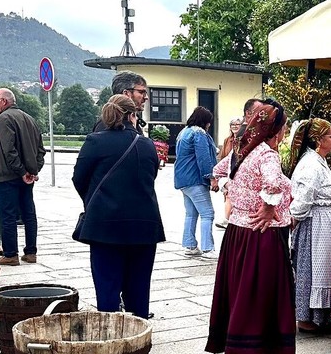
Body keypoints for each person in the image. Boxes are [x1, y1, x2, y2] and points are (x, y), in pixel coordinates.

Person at [206, 101, 294, 354]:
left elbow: (217, 173)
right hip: (259, 234)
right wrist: (269, 207)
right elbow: (273, 185)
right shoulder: (267, 154)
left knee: (237, 291)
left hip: (236, 233)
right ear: (276, 129)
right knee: (256, 295)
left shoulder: (240, 151)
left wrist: (228, 189)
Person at [72, 95, 164, 315]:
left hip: (105, 224)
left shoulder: (95, 141)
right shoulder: (147, 145)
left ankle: (111, 330)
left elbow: (79, 179)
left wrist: (97, 200)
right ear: (133, 116)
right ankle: (139, 330)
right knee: (140, 285)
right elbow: (150, 177)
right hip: (144, 223)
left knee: (107, 286)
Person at [288, 118, 331, 334]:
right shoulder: (310, 164)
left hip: (326, 225)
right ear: (318, 139)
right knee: (311, 270)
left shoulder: (318, 161)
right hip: (317, 226)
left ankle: (322, 315)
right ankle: (306, 318)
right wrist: (295, 217)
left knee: (325, 270)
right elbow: (304, 197)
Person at [0, 88, 45, 265]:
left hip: (9, 175)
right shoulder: (29, 118)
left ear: (4, 102)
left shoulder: (4, 118)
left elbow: (9, 150)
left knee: (7, 215)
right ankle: (31, 252)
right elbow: (40, 150)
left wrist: (21, 171)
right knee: (29, 213)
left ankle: (10, 254)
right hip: (27, 175)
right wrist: (33, 170)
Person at [174, 107, 218, 257]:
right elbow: (203, 158)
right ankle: (208, 248)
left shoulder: (184, 132)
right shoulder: (198, 133)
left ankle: (190, 245)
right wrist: (211, 177)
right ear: (205, 121)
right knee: (207, 213)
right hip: (195, 179)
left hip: (182, 180)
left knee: (191, 213)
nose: (209, 125)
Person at [215, 117, 243, 227]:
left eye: (237, 124)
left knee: (231, 197)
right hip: (227, 171)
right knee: (227, 196)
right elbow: (222, 156)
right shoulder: (227, 140)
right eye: (233, 125)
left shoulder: (243, 139)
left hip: (237, 172)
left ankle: (228, 220)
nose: (235, 126)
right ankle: (228, 219)